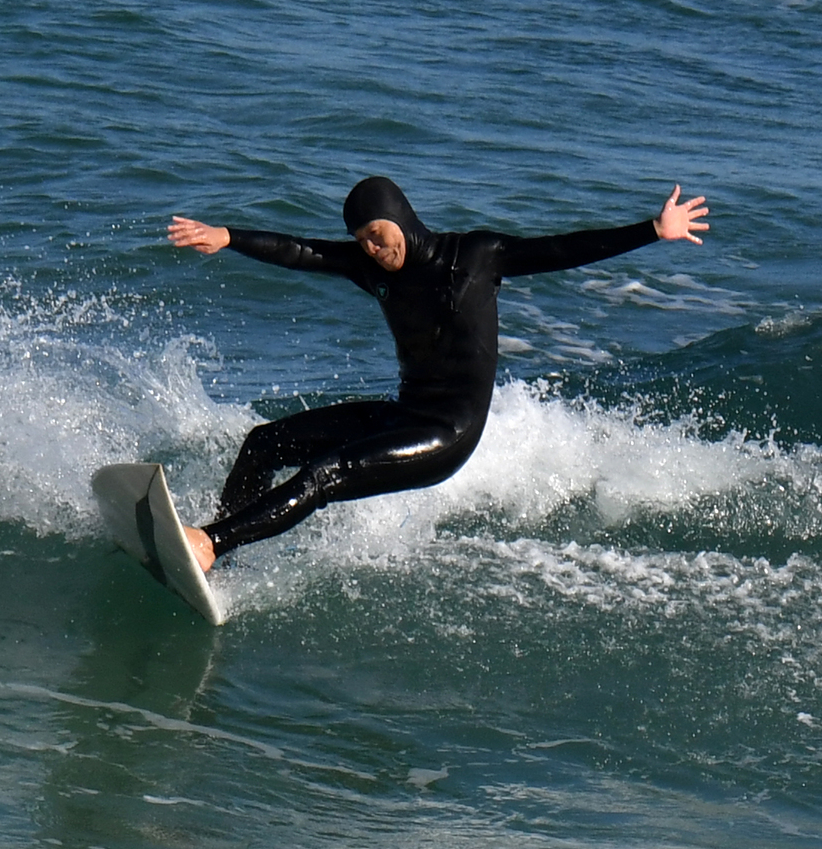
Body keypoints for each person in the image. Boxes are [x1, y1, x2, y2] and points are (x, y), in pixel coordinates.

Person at [167, 176, 709, 572]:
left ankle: (211, 543)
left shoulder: (475, 256)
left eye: (378, 235)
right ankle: (221, 561)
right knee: (264, 443)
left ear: (400, 217)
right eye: (363, 243)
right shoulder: (368, 265)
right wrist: (229, 236)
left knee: (324, 475)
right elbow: (301, 251)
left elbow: (562, 249)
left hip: (449, 433)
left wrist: (652, 231)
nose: (374, 250)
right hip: (405, 414)